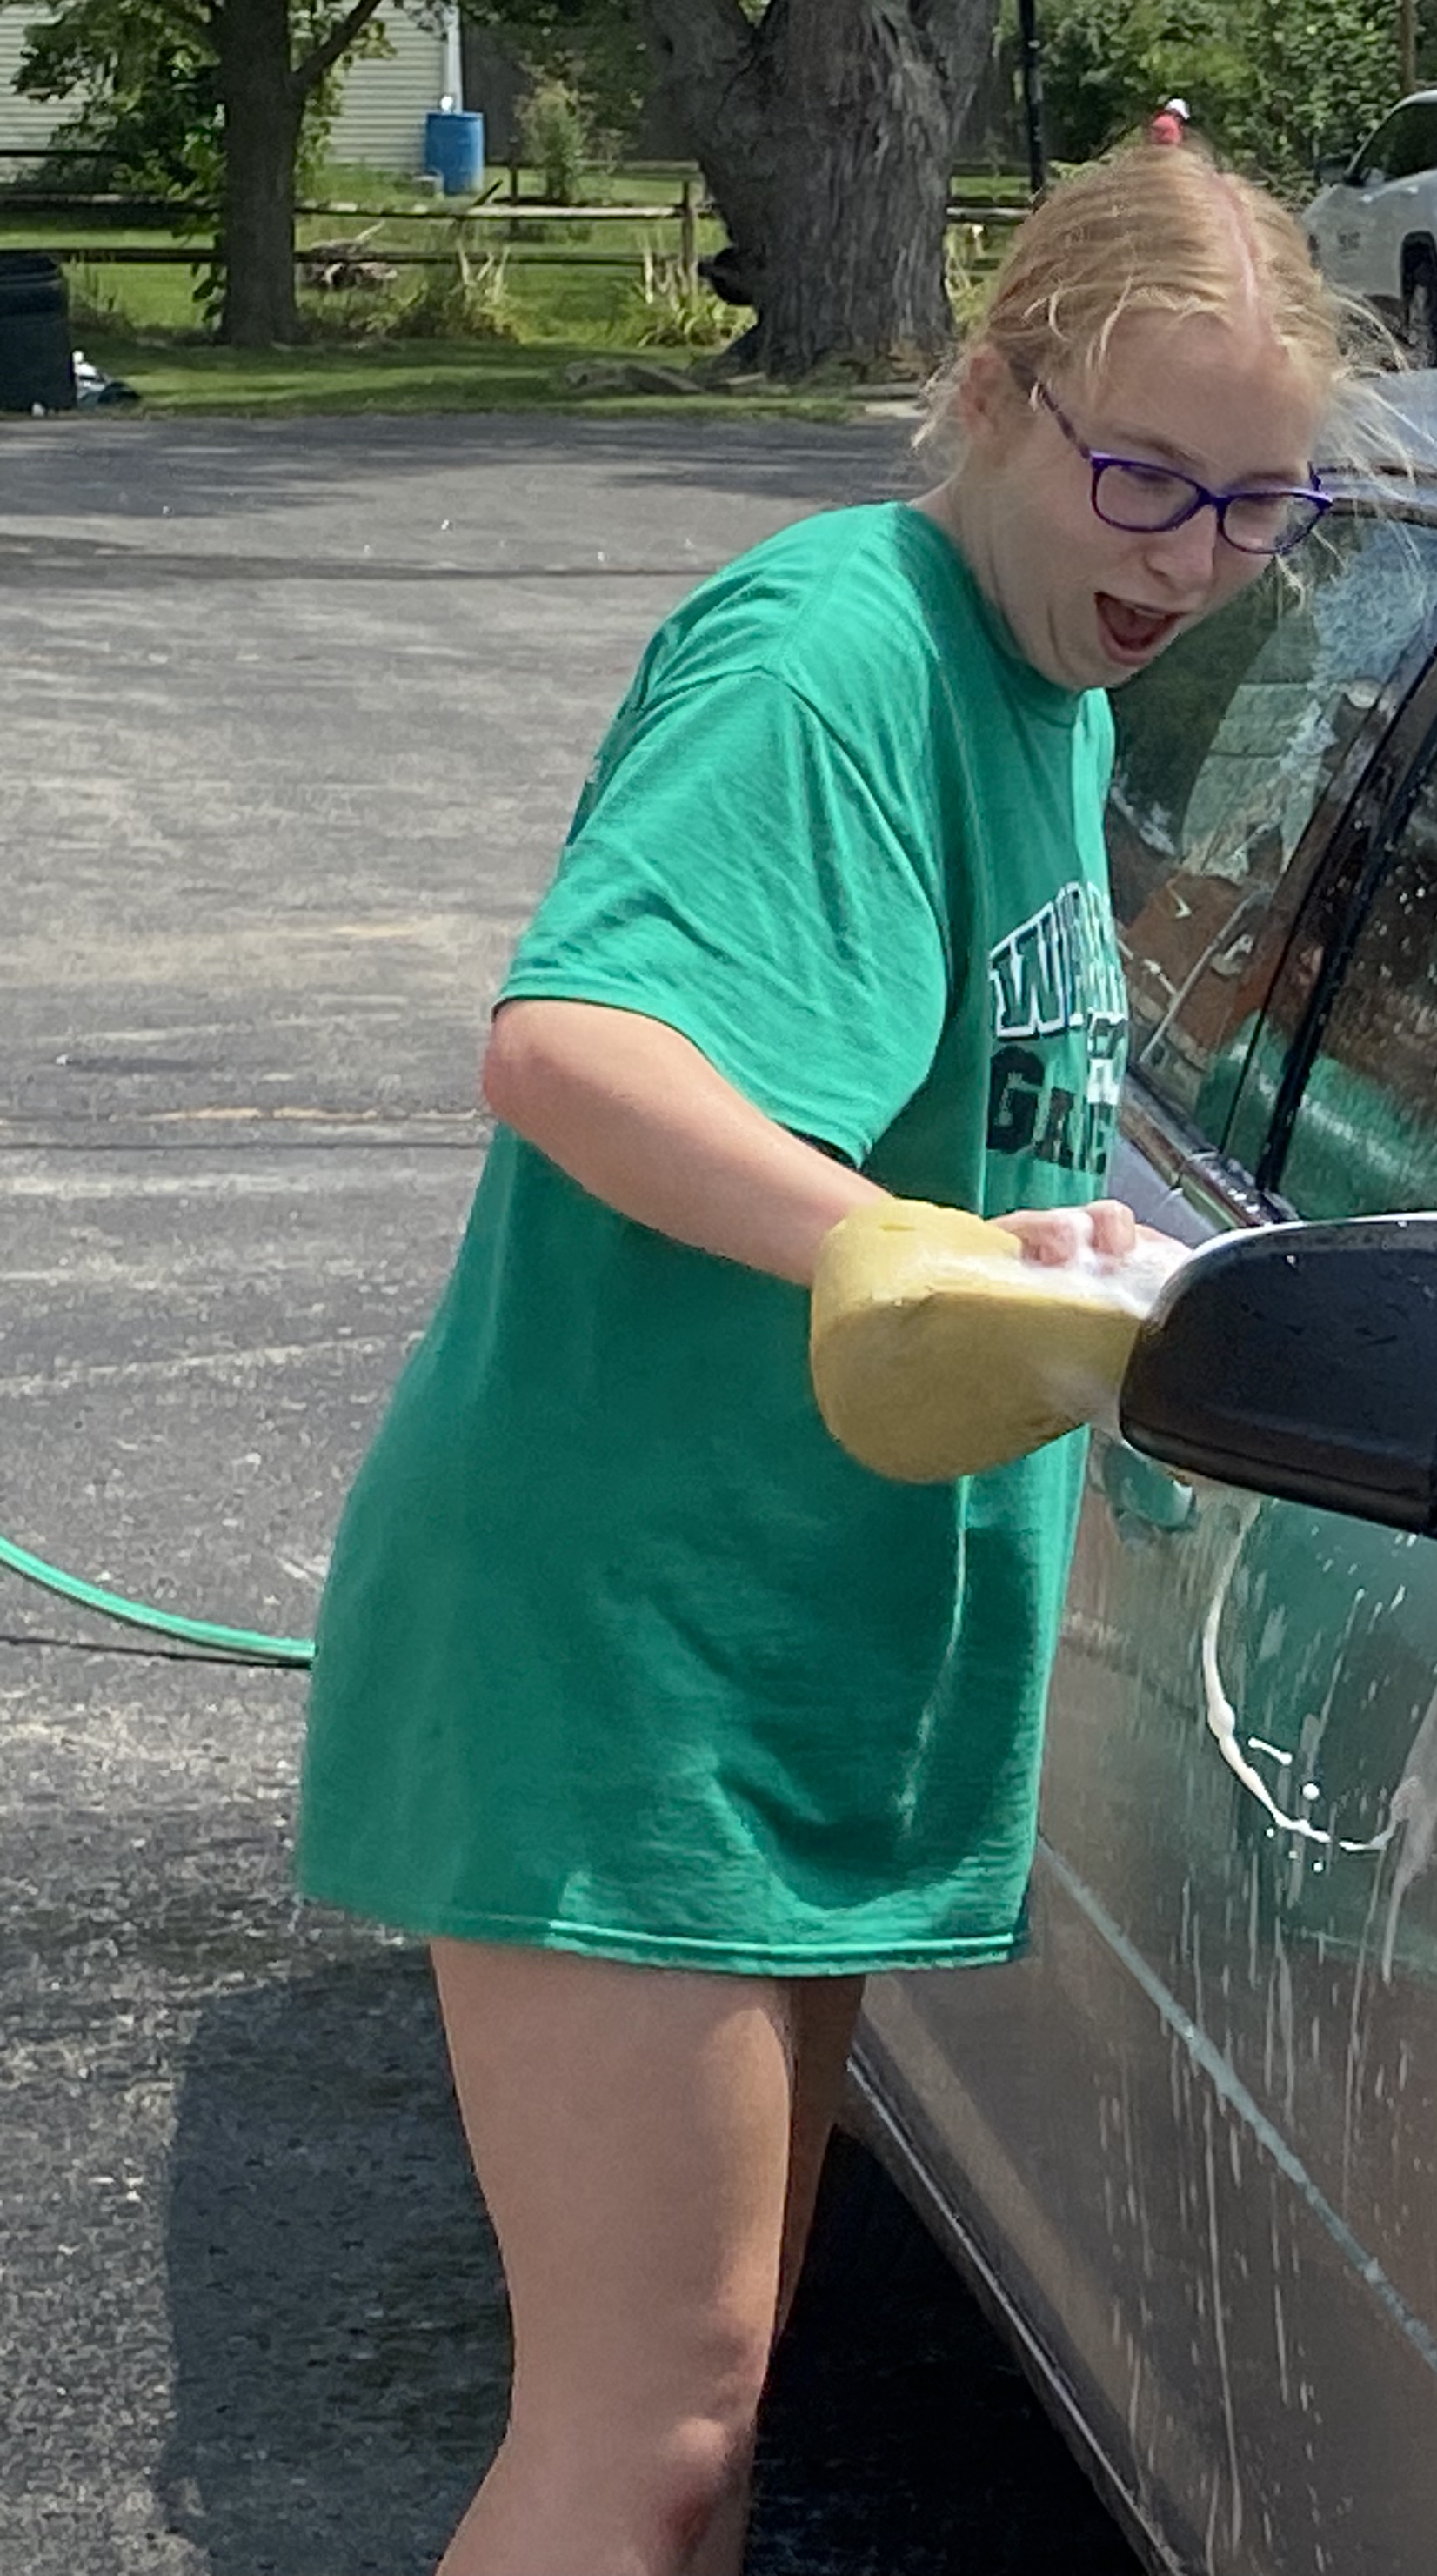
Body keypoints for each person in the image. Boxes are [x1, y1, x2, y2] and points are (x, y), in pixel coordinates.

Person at [291, 138, 1372, 2576]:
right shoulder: (836, 658)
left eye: (1256, 507)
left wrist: (1018, 1235)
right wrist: (895, 1240)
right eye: (1142, 477)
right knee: (640, 2446)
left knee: (713, 2403)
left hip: (799, 1659)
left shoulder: (1043, 673)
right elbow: (580, 1050)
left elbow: (933, 1101)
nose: (1191, 560)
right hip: (625, 1660)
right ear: (992, 388)